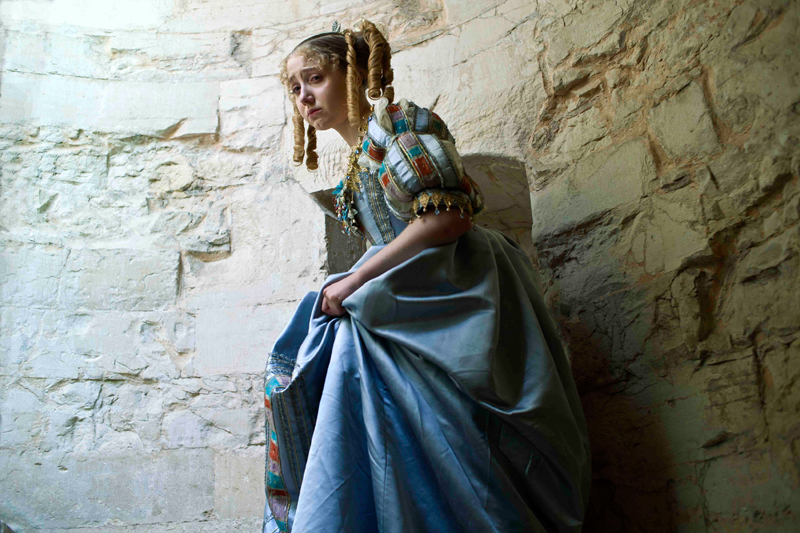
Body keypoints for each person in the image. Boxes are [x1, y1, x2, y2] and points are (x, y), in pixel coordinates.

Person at [263, 19, 591, 533]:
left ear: (353, 75)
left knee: (444, 424)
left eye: (315, 78)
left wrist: (355, 281)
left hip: (452, 290)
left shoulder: (396, 126)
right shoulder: (358, 160)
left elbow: (448, 218)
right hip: (404, 298)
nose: (304, 96)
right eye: (294, 87)